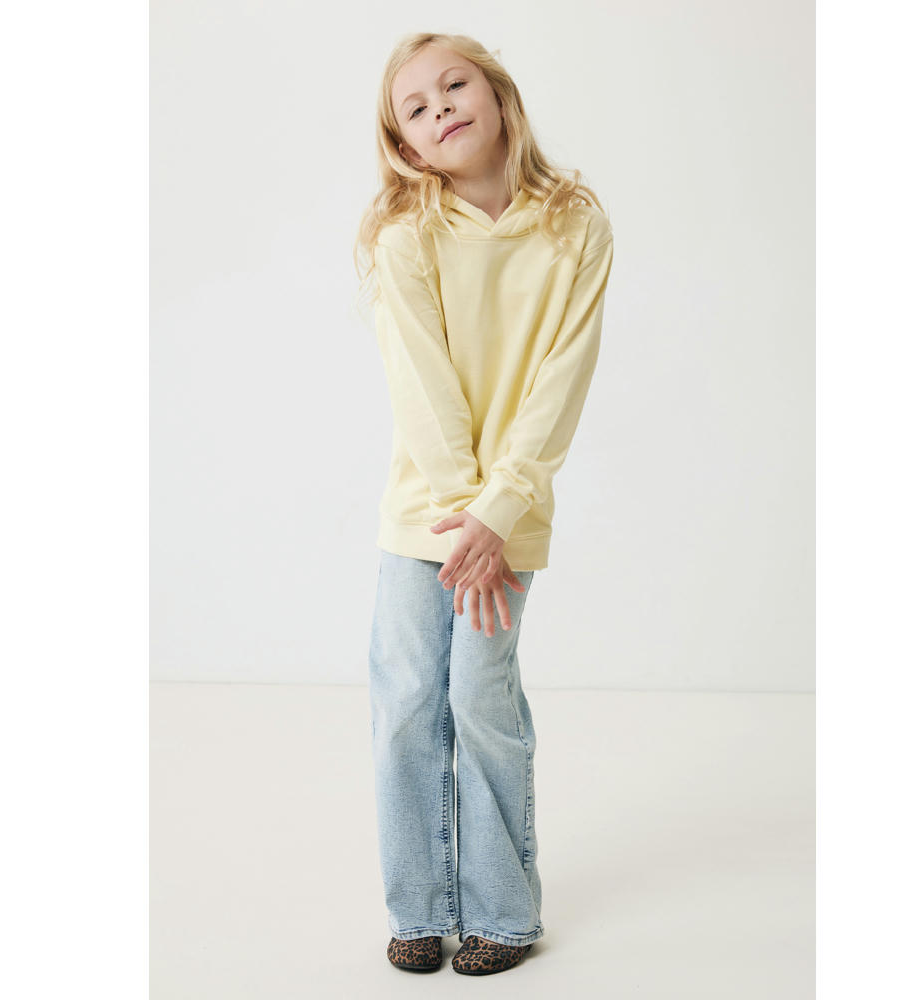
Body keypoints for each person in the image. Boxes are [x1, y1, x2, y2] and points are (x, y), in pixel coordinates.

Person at [354, 31, 614, 976]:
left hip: (509, 518)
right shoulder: (404, 237)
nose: (442, 110)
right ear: (406, 146)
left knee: (479, 696)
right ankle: (420, 907)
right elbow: (422, 390)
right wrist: (467, 515)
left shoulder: (576, 226)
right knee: (407, 701)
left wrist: (497, 516)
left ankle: (503, 911)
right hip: (426, 514)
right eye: (416, 109)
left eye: (455, 86)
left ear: (498, 95)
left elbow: (560, 381)